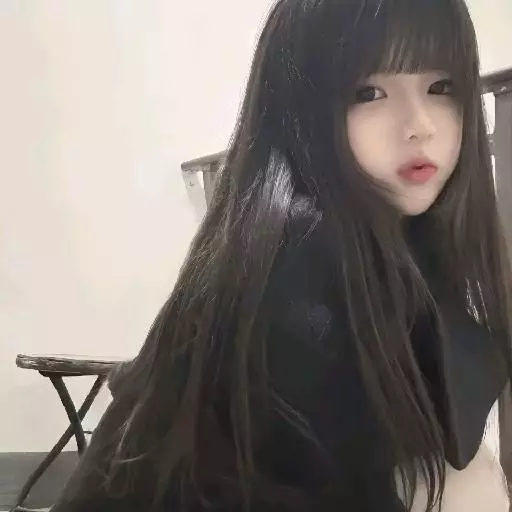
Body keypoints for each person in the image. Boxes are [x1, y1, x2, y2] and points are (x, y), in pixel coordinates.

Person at [51, 0, 512, 510]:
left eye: (441, 87)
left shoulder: (386, 238)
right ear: (302, 111)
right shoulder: (298, 262)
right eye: (369, 93)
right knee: (467, 485)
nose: (419, 125)